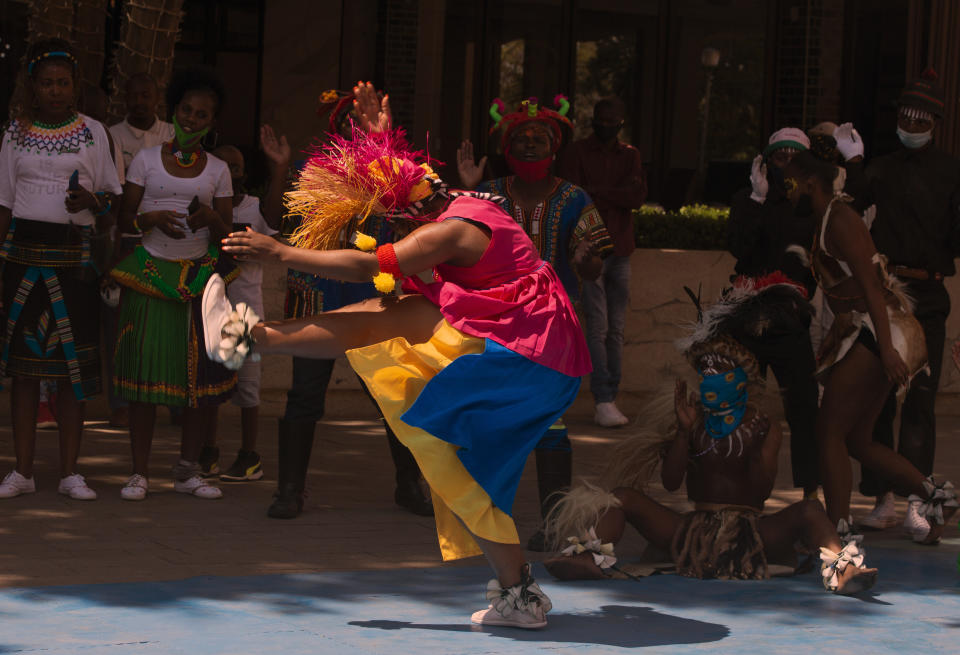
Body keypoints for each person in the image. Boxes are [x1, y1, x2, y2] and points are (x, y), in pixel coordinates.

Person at [207, 126, 589, 629]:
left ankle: (248, 339)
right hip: (530, 339)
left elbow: (368, 264)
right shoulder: (471, 201)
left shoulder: (447, 231)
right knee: (386, 326)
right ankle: (519, 596)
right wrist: (375, 128)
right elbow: (400, 178)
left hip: (527, 348)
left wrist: (282, 253)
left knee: (399, 350)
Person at [542, 279, 877, 594]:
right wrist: (684, 433)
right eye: (706, 375)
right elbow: (672, 483)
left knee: (808, 510)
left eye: (720, 375)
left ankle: (841, 569)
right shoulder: (694, 421)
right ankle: (587, 556)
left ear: (741, 380)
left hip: (750, 531)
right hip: (692, 529)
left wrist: (759, 447)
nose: (710, 382)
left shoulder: (764, 427)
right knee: (622, 497)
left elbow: (760, 493)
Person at [267, 83, 431, 519]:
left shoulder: (392, 169)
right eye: (348, 118)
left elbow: (421, 208)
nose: (354, 124)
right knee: (304, 394)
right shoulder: (310, 167)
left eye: (364, 117)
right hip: (316, 294)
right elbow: (273, 220)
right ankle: (288, 490)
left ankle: (408, 484)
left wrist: (384, 144)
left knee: (392, 391)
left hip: (373, 293)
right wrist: (281, 169)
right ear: (336, 127)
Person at [457, 95, 612, 550]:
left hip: (551, 324)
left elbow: (595, 265)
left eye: (538, 138)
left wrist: (585, 260)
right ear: (507, 146)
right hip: (494, 321)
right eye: (520, 138)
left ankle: (553, 522)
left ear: (554, 146)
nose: (528, 144)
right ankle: (486, 518)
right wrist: (467, 192)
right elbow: (457, 240)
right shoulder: (487, 192)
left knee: (550, 418)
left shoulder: (573, 198)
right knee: (492, 418)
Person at [784, 136, 956, 543]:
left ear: (811, 181)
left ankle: (839, 532)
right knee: (858, 439)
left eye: (791, 181)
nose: (786, 189)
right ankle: (935, 496)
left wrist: (888, 349)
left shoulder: (841, 219)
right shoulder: (828, 217)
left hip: (880, 329)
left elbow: (871, 287)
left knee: (829, 430)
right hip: (870, 330)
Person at [0, 39, 122, 500]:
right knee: (25, 371)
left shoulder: (94, 133)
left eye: (63, 82)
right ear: (33, 86)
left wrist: (93, 202)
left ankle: (71, 472)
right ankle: (23, 472)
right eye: (47, 83)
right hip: (23, 260)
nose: (55, 90)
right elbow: (4, 203)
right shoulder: (15, 133)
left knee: (75, 370)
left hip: (76, 263)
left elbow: (113, 201)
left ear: (75, 87)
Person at [110, 66, 237, 501]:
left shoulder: (219, 169)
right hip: (150, 275)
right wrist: (150, 217)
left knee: (197, 380)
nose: (192, 119)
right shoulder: (144, 160)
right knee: (144, 377)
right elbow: (123, 218)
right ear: (175, 110)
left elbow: (229, 232)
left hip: (200, 280)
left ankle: (187, 472)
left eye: (202, 114)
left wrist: (211, 219)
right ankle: (139, 473)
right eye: (186, 110)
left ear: (211, 122)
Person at [845, 69, 960, 536]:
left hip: (928, 295)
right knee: (877, 398)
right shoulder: (883, 168)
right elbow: (849, 203)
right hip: (888, 293)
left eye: (920, 119)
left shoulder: (953, 172)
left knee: (920, 400)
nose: (912, 127)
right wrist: (852, 164)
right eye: (905, 118)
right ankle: (882, 496)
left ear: (933, 120)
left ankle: (918, 498)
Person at [726, 127, 821, 499]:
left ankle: (810, 495)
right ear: (767, 159)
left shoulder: (812, 207)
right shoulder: (748, 197)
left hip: (790, 320)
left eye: (794, 157)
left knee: (803, 409)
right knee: (738, 406)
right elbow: (738, 247)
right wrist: (755, 200)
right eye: (779, 156)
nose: (786, 164)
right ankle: (736, 491)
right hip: (746, 316)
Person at [198, 129, 288, 481]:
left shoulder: (253, 207)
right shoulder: (201, 202)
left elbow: (275, 222)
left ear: (243, 174)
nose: (228, 172)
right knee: (210, 383)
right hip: (209, 306)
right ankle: (209, 452)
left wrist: (279, 168)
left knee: (246, 385)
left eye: (234, 166)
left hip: (243, 312)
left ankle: (249, 456)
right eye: (220, 164)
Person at [558, 96, 646, 428]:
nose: (607, 126)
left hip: (620, 249)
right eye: (602, 120)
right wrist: (614, 192)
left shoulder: (630, 155)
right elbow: (573, 195)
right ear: (593, 120)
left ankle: (611, 392)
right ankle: (604, 398)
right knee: (597, 326)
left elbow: (636, 197)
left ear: (621, 123)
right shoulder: (577, 153)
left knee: (616, 329)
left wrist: (597, 191)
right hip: (590, 247)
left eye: (614, 121)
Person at [106, 73, 175, 429]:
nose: (139, 102)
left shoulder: (171, 135)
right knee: (125, 325)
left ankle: (175, 402)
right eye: (134, 95)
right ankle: (120, 402)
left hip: (172, 240)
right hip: (130, 238)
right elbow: (115, 193)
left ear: (157, 98)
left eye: (146, 94)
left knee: (171, 323)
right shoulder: (112, 136)